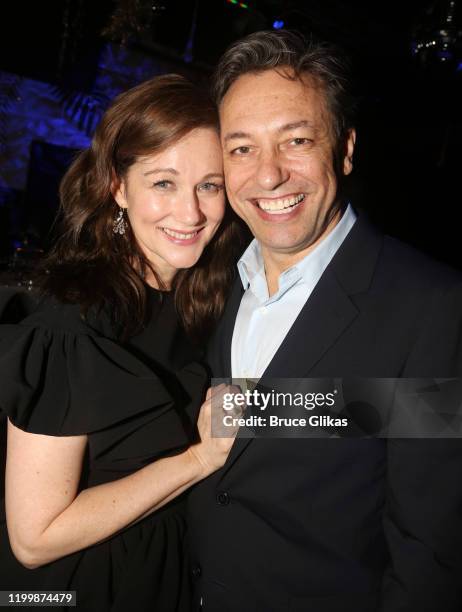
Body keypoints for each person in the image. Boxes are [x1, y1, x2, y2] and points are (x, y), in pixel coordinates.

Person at [187, 30, 462, 611]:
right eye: (241, 148)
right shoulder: (207, 277)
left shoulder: (431, 306)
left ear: (345, 147)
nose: (268, 175)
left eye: (296, 140)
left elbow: (431, 546)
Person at [0, 74, 243, 611]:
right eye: (163, 182)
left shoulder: (207, 299)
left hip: (166, 575)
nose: (191, 213)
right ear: (117, 186)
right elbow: (35, 539)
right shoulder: (71, 326)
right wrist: (199, 461)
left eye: (210, 184)